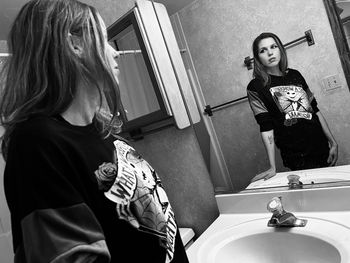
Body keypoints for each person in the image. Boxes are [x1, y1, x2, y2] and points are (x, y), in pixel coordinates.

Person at [0, 0, 189, 262]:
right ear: (73, 44)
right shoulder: (38, 142)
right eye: (103, 39)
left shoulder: (104, 134)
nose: (115, 52)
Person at [247, 32, 338, 182]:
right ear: (257, 58)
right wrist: (272, 166)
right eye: (263, 50)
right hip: (296, 154)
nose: (270, 52)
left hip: (320, 145)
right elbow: (266, 127)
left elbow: (315, 110)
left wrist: (332, 142)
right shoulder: (256, 87)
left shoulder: (295, 75)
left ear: (280, 49)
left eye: (273, 47)